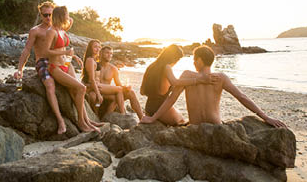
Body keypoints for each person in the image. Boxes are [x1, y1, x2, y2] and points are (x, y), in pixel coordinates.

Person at [141, 45, 287, 128]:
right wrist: (265, 117)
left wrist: (153, 118)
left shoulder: (187, 75)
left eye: (194, 59)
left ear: (199, 60)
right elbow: (242, 97)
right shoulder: (220, 78)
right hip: (216, 126)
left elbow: (170, 100)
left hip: (195, 127)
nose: (193, 63)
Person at [43, 6, 100, 133]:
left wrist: (73, 56)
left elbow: (62, 47)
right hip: (55, 67)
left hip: (67, 65)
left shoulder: (62, 30)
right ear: (61, 16)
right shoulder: (51, 31)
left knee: (76, 90)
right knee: (82, 88)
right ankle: (81, 122)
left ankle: (87, 121)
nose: (68, 17)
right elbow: (45, 51)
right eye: (67, 15)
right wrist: (66, 51)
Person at [14, 1, 67, 135]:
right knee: (50, 85)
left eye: (51, 14)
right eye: (45, 15)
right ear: (41, 15)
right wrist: (20, 69)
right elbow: (26, 50)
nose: (48, 18)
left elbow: (69, 20)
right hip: (43, 62)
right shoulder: (36, 31)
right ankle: (60, 120)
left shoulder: (58, 29)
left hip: (58, 61)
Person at [140, 44, 218, 126]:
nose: (176, 62)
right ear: (173, 57)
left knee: (180, 117)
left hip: (149, 107)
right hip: (159, 106)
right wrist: (199, 80)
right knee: (181, 121)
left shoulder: (152, 66)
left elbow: (142, 91)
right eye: (177, 59)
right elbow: (175, 82)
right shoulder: (166, 67)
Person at [97, 46, 144, 120]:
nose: (109, 55)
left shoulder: (113, 69)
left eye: (111, 54)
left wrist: (125, 87)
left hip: (109, 93)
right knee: (116, 95)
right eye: (107, 53)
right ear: (101, 53)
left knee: (131, 92)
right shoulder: (95, 66)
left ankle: (142, 117)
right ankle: (108, 117)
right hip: (99, 92)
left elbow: (118, 84)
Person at [81, 40, 126, 117]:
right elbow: (92, 79)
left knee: (115, 97)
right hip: (96, 86)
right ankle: (123, 114)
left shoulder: (94, 60)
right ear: (90, 48)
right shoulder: (90, 60)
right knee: (119, 89)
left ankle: (106, 117)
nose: (98, 49)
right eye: (95, 47)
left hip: (96, 86)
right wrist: (98, 94)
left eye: (99, 47)